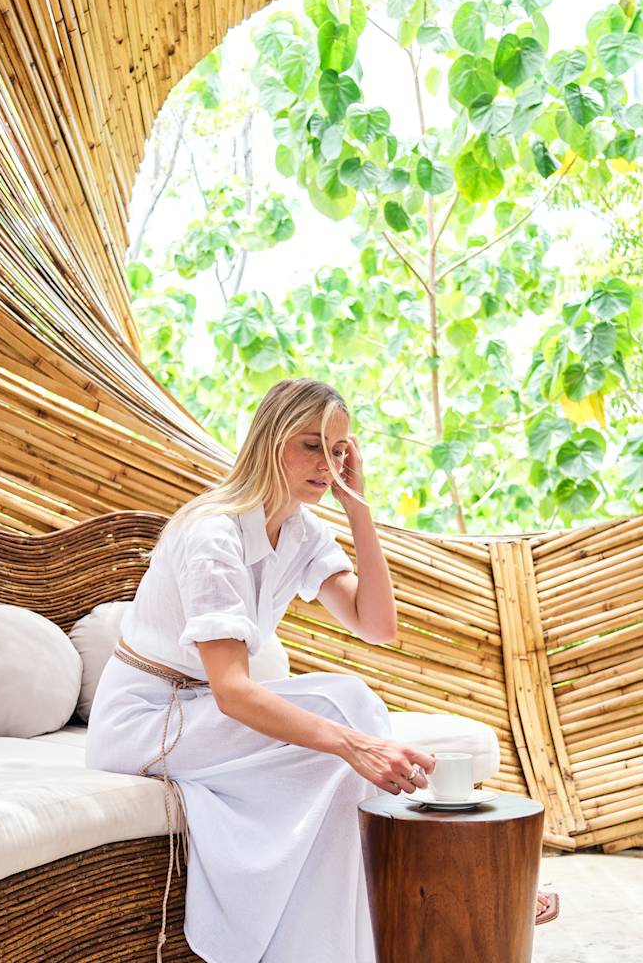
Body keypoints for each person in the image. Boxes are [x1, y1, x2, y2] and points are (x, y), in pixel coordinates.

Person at [84, 377, 559, 963]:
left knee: (345, 726)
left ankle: (414, 897)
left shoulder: (301, 532)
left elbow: (376, 624)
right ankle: (453, 875)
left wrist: (359, 510)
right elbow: (233, 691)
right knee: (342, 711)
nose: (327, 462)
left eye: (338, 450)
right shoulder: (212, 534)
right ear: (269, 441)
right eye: (311, 445)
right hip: (149, 721)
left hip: (201, 710)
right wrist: (353, 744)